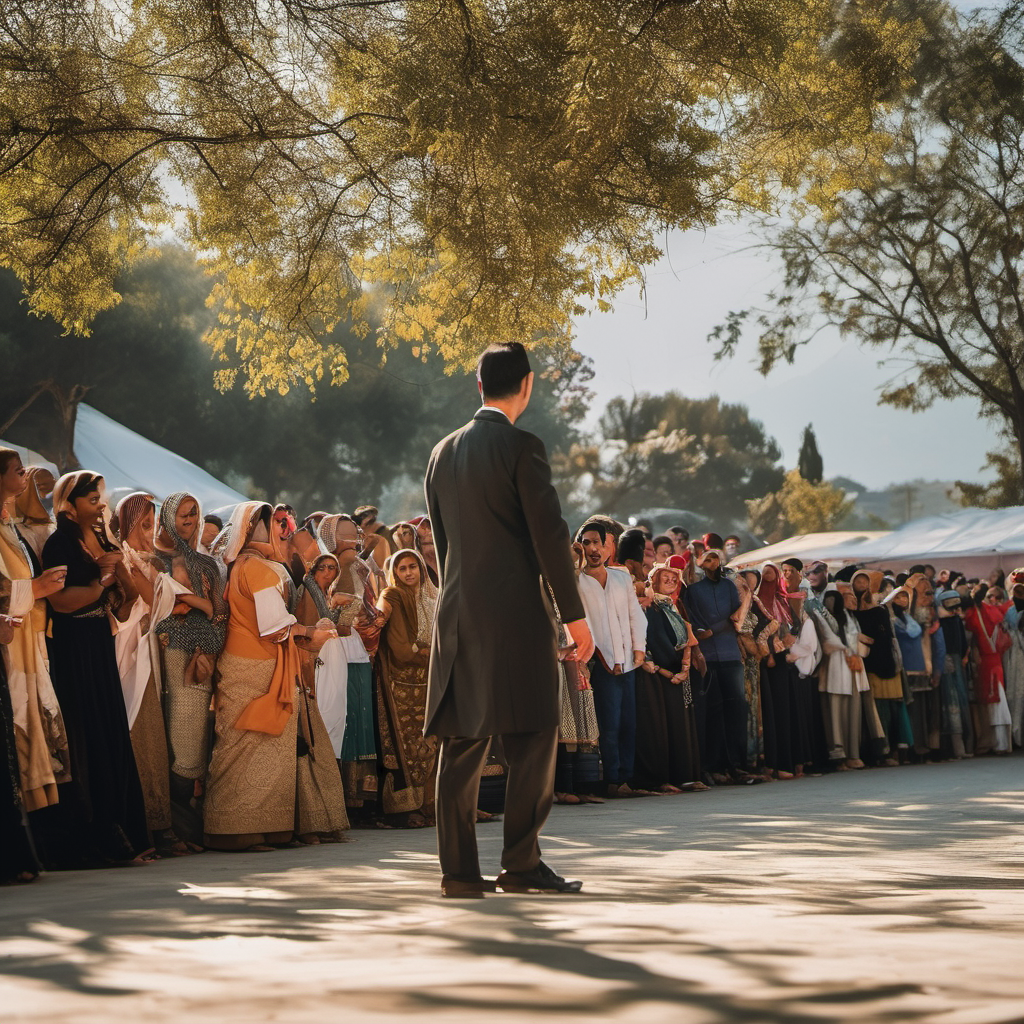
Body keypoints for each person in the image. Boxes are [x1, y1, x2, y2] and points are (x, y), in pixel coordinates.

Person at [424, 342, 593, 898]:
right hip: (517, 616)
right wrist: (575, 617)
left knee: (463, 741)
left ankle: (459, 873)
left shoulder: (441, 453)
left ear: (478, 386)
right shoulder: (523, 447)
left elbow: (446, 546)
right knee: (536, 733)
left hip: (458, 613)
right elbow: (550, 538)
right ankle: (520, 862)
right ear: (528, 384)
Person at [203, 502, 342, 850]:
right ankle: (235, 830)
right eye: (269, 524)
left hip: (253, 662)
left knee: (256, 743)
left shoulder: (246, 565)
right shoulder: (259, 569)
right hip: (256, 665)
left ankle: (266, 826)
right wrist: (314, 633)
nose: (277, 531)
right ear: (253, 529)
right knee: (248, 741)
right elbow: (273, 626)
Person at [39, 471, 151, 868]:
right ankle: (94, 842)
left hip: (99, 643)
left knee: (109, 732)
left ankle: (127, 835)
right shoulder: (59, 542)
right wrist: (103, 579)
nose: (101, 505)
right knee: (86, 737)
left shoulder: (101, 539)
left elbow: (125, 601)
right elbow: (64, 602)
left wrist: (118, 571)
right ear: (68, 505)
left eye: (100, 498)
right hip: (73, 648)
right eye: (92, 499)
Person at [153, 491, 228, 845]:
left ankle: (186, 824)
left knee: (191, 741)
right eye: (182, 514)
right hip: (161, 658)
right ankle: (171, 827)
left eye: (193, 514)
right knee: (164, 739)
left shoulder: (206, 563)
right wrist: (196, 606)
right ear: (167, 517)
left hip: (198, 659)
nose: (189, 520)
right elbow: (156, 613)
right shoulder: (154, 560)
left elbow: (219, 613)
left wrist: (193, 607)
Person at [577, 520, 648, 799]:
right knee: (608, 724)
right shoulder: (576, 580)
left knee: (629, 722)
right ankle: (611, 779)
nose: (593, 549)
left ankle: (625, 779)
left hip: (627, 660)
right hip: (597, 660)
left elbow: (635, 616)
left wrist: (639, 649)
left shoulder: (620, 578)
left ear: (608, 548)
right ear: (580, 545)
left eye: (598, 543)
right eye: (587, 542)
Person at [375, 548, 439, 827]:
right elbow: (400, 649)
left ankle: (430, 806)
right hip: (402, 683)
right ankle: (405, 809)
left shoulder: (432, 598)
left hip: (430, 682)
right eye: (402, 569)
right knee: (408, 746)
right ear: (394, 573)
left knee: (431, 744)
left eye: (413, 566)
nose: (409, 573)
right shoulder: (392, 596)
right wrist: (428, 653)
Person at [685, 549, 753, 784]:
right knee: (712, 711)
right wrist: (706, 631)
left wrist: (716, 628)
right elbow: (692, 618)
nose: (711, 562)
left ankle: (736, 765)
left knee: (736, 709)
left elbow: (737, 616)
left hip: (730, 653)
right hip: (707, 656)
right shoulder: (693, 590)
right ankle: (712, 766)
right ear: (701, 564)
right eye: (707, 559)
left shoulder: (729, 587)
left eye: (715, 558)